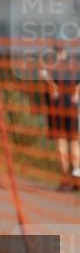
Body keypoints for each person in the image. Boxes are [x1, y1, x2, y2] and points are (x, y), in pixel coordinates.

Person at [39, 43, 80, 191]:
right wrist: (76, 94)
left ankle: (66, 178)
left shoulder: (48, 64)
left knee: (61, 140)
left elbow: (48, 85)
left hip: (56, 107)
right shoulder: (74, 63)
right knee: (74, 141)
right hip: (72, 106)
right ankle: (76, 174)